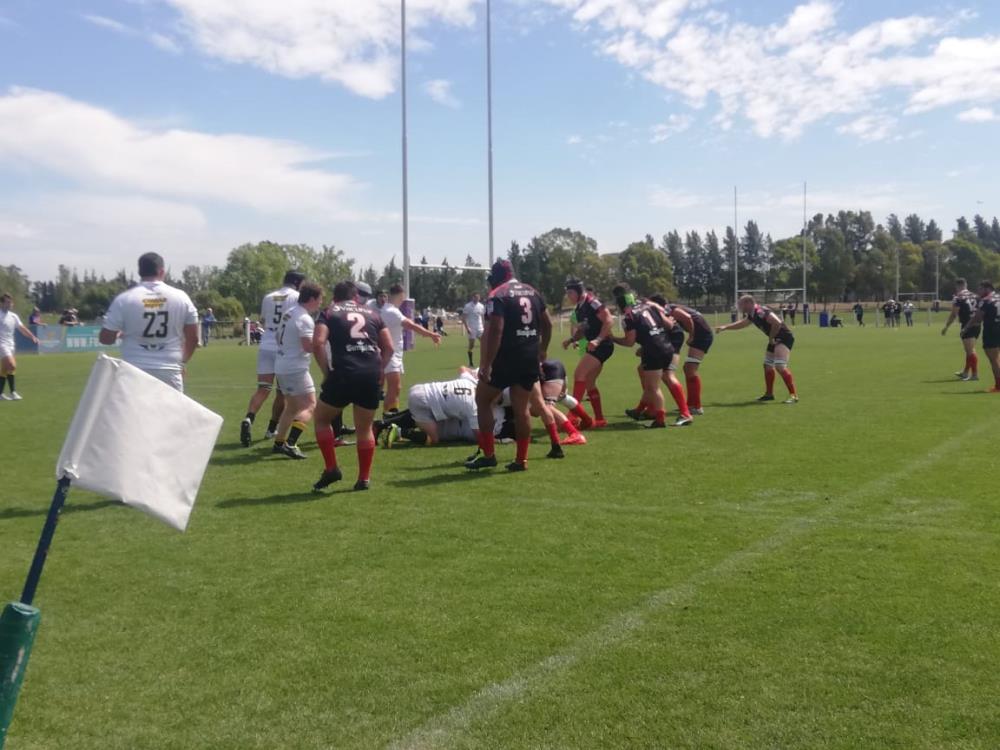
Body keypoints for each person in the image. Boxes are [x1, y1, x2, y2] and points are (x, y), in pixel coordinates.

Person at [467, 259, 557, 472]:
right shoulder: (532, 291)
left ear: (498, 276)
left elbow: (496, 329)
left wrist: (487, 364)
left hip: (506, 357)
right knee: (521, 408)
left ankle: (489, 455)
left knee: (483, 400)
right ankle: (521, 460)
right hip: (529, 356)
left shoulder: (498, 294)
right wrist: (543, 349)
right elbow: (548, 323)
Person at [311, 281, 394, 491]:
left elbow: (318, 343)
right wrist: (380, 370)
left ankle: (332, 468)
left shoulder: (329, 312)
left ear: (335, 297)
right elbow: (389, 347)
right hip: (370, 374)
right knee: (364, 428)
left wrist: (326, 372)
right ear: (356, 296)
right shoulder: (373, 313)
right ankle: (364, 478)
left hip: (343, 372)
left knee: (321, 420)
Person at [99, 253, 199, 392]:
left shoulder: (124, 299)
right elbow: (193, 338)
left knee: (134, 407)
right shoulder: (181, 297)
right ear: (162, 271)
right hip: (169, 370)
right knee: (168, 407)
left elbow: (105, 339)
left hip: (133, 370)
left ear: (140, 272)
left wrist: (119, 333)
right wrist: (181, 362)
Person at [239, 270, 305, 447]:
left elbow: (263, 320)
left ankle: (249, 418)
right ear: (298, 283)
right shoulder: (297, 297)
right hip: (284, 346)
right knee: (282, 393)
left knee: (263, 388)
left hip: (266, 344)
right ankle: (271, 428)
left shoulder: (268, 297)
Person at [612, 285, 692, 428]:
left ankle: (662, 417)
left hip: (656, 348)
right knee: (648, 379)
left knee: (655, 385)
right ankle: (642, 410)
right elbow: (669, 325)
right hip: (666, 344)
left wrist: (612, 338)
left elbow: (629, 342)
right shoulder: (648, 305)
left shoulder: (628, 316)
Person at [270, 282, 324, 459]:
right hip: (295, 368)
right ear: (312, 299)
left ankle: (279, 443)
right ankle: (291, 443)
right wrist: (322, 343)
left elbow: (277, 337)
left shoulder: (289, 312)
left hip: (282, 364)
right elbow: (308, 347)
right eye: (320, 299)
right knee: (310, 405)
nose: (321, 302)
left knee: (292, 407)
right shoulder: (304, 318)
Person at [716, 295, 798, 404]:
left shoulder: (760, 311)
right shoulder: (752, 314)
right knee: (767, 365)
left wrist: (771, 337)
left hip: (783, 338)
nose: (739, 307)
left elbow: (777, 322)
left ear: (748, 303)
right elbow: (743, 323)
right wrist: (725, 327)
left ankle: (793, 396)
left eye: (740, 304)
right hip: (774, 338)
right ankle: (769, 394)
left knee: (780, 366)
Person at [378, 284, 441, 414]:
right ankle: (388, 417)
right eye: (403, 297)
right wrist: (431, 334)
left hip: (392, 353)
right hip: (390, 354)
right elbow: (411, 325)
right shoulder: (392, 311)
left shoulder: (388, 309)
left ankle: (390, 415)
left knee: (395, 388)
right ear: (400, 295)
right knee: (394, 388)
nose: (403, 300)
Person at [561, 279, 614, 429]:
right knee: (589, 382)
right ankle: (600, 419)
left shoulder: (592, 302)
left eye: (570, 292)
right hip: (596, 345)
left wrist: (598, 340)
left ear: (579, 291)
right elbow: (583, 329)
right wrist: (571, 340)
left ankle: (573, 416)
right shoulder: (579, 308)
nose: (568, 296)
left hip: (603, 345)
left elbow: (609, 320)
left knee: (579, 374)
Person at [660, 296, 713, 416]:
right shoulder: (670, 310)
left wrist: (691, 336)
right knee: (688, 369)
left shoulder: (673, 309)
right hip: (701, 335)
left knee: (690, 369)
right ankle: (691, 405)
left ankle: (696, 406)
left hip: (702, 336)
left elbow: (687, 318)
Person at [962, 281, 1000, 393]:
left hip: (992, 331)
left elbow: (977, 318)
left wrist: (966, 327)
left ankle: (998, 386)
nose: (978, 292)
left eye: (980, 289)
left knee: (994, 359)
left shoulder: (986, 300)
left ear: (987, 288)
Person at [0, 293, 40, 400]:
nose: (10, 304)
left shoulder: (13, 316)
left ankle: (4, 394)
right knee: (12, 365)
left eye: (11, 302)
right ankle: (12, 392)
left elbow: (22, 329)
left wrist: (32, 336)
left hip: (11, 344)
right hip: (1, 344)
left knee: (5, 369)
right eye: (7, 302)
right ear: (2, 303)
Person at [942, 278, 981, 381]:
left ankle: (975, 375)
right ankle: (965, 372)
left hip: (967, 325)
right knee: (969, 350)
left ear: (957, 286)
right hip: (977, 324)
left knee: (970, 350)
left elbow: (954, 314)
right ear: (966, 285)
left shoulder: (958, 297)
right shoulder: (975, 296)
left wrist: (946, 327)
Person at [461, 292, 486, 368]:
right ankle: (470, 362)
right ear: (473, 297)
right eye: (475, 297)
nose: (477, 298)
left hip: (480, 328)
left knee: (484, 344)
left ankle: (484, 361)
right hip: (472, 328)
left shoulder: (481, 306)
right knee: (471, 345)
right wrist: (467, 328)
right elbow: (464, 318)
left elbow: (483, 317)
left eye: (478, 297)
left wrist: (484, 326)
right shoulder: (467, 306)